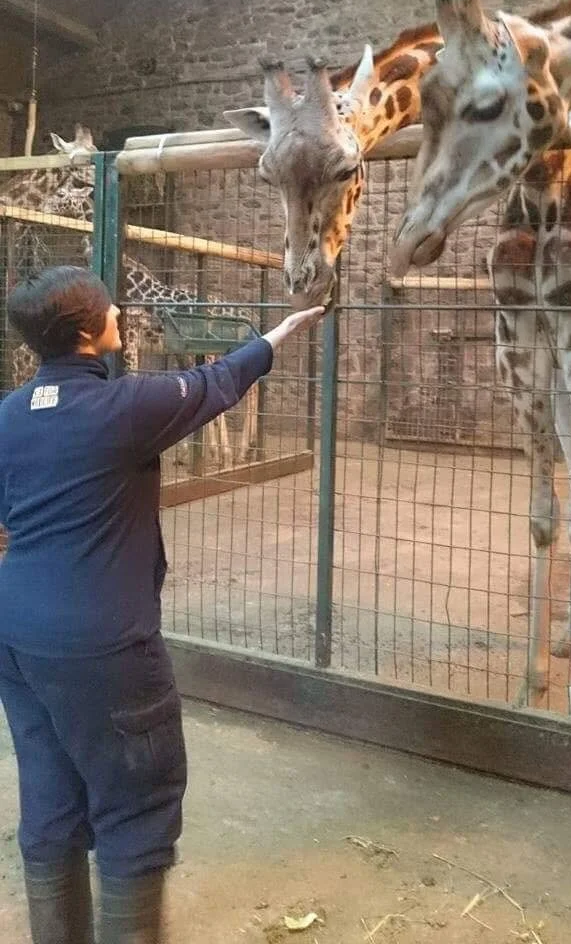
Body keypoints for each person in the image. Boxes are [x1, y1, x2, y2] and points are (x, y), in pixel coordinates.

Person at [0, 265, 323, 944]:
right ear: (90, 334)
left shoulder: (7, 415)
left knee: (51, 800)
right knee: (135, 809)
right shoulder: (125, 408)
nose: (118, 308)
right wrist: (278, 336)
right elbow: (218, 383)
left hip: (17, 636)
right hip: (106, 645)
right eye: (106, 305)